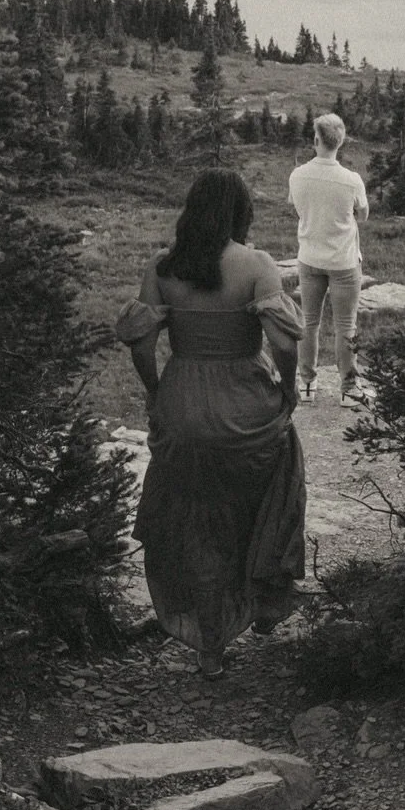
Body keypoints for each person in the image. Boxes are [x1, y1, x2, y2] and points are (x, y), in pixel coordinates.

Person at [115, 169, 306, 678]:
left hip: (183, 410)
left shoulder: (162, 267)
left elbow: (139, 342)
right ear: (240, 213)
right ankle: (266, 596)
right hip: (244, 411)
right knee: (275, 484)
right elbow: (285, 343)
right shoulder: (257, 265)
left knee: (196, 525)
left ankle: (210, 647)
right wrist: (286, 389)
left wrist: (158, 392)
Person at [288, 112, 369, 406]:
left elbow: (294, 205)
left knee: (309, 322)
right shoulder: (351, 180)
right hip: (344, 262)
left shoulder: (298, 175)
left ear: (316, 140)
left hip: (309, 258)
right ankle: (348, 389)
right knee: (346, 325)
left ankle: (307, 383)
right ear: (341, 142)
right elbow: (364, 214)